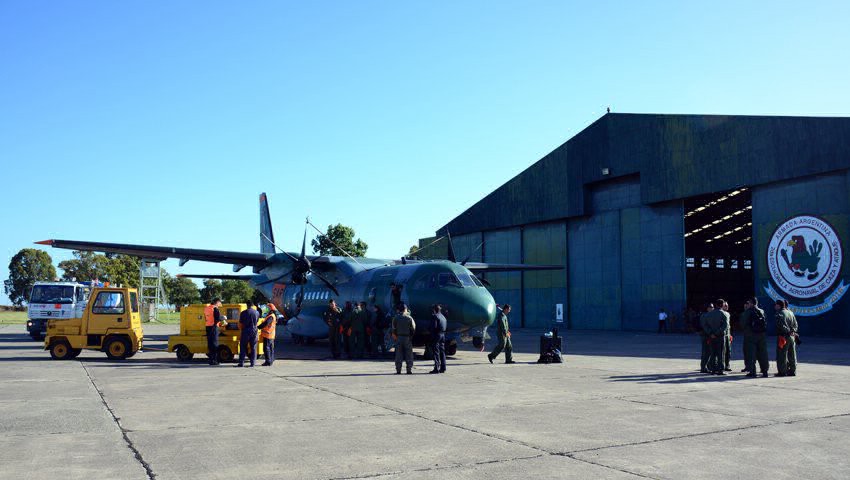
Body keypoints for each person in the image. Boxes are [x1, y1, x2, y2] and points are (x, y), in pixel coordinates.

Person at [742, 297, 769, 377]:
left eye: (749, 303)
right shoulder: (762, 311)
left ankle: (752, 372)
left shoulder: (747, 312)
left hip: (751, 336)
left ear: (751, 303)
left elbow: (743, 324)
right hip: (762, 335)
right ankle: (765, 371)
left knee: (751, 354)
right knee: (763, 354)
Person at [703, 299, 729, 375]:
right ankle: (720, 370)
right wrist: (717, 333)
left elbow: (705, 325)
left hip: (711, 337)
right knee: (721, 353)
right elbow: (725, 325)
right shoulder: (723, 314)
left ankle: (713, 370)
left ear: (716, 304)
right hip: (720, 337)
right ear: (722, 305)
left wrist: (711, 333)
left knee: (713, 353)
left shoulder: (709, 314)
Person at [775, 299, 798, 377]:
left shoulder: (780, 314)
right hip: (792, 337)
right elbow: (795, 324)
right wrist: (792, 331)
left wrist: (787, 331)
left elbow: (781, 326)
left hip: (783, 337)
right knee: (792, 354)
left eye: (776, 305)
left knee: (782, 355)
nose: (775, 306)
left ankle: (782, 371)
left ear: (779, 305)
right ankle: (793, 370)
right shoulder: (790, 313)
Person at [392, 303, 416, 374]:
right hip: (407, 338)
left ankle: (398, 370)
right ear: (405, 309)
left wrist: (396, 337)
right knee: (409, 354)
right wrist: (410, 336)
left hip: (399, 337)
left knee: (398, 354)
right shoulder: (409, 318)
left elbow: (393, 329)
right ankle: (409, 370)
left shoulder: (396, 318)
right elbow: (413, 328)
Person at [237, 300, 260, 367]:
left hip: (245, 331)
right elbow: (257, 321)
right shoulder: (257, 312)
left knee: (243, 347)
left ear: (246, 305)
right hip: (254, 331)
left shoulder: (243, 313)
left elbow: (241, 323)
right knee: (253, 347)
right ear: (252, 305)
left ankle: (241, 363)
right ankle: (252, 363)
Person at [204, 298, 223, 366]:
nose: (220, 304)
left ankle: (211, 360)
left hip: (207, 327)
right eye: (220, 302)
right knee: (215, 344)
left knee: (210, 344)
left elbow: (206, 318)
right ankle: (214, 360)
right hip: (214, 327)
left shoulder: (206, 308)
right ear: (217, 302)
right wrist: (223, 318)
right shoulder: (215, 309)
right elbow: (217, 318)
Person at [430, 305, 447, 374]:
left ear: (434, 310)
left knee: (436, 352)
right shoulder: (443, 317)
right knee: (442, 352)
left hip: (437, 335)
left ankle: (436, 368)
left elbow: (433, 327)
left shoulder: (435, 316)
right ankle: (443, 368)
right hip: (443, 335)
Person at [739, 298, 754, 373]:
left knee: (748, 351)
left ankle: (749, 367)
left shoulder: (746, 314)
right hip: (753, 334)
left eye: (746, 306)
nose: (745, 307)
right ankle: (748, 366)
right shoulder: (755, 312)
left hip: (748, 335)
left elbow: (742, 324)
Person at [698, 302, 714, 373]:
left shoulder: (708, 315)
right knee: (706, 352)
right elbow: (705, 326)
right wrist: (711, 333)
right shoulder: (705, 315)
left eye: (713, 307)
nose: (712, 308)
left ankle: (707, 366)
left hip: (707, 335)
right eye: (711, 307)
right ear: (707, 308)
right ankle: (703, 367)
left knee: (709, 352)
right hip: (706, 336)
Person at [722, 301, 732, 372]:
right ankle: (721, 365)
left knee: (728, 351)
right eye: (725, 305)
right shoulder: (720, 314)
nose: (727, 307)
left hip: (728, 335)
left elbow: (728, 326)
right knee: (722, 352)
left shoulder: (728, 314)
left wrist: (730, 335)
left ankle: (727, 365)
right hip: (722, 335)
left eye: (727, 305)